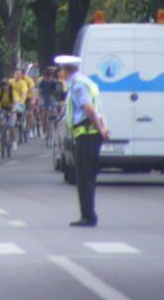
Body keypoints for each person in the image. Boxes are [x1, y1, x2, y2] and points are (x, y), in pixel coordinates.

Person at [55, 54, 110, 227]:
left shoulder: (78, 86)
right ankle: (88, 214)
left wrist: (101, 129)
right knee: (87, 176)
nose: (60, 73)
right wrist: (102, 128)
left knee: (84, 177)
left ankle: (88, 215)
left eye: (61, 70)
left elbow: (89, 109)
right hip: (89, 134)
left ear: (66, 71)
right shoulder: (86, 82)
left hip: (87, 135)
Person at [38, 67, 64, 135]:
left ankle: (55, 126)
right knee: (44, 114)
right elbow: (40, 93)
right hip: (44, 99)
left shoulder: (55, 83)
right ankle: (44, 130)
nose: (47, 79)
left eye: (49, 77)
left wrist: (57, 99)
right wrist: (40, 100)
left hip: (53, 99)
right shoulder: (42, 83)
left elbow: (58, 92)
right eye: (46, 77)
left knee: (55, 112)